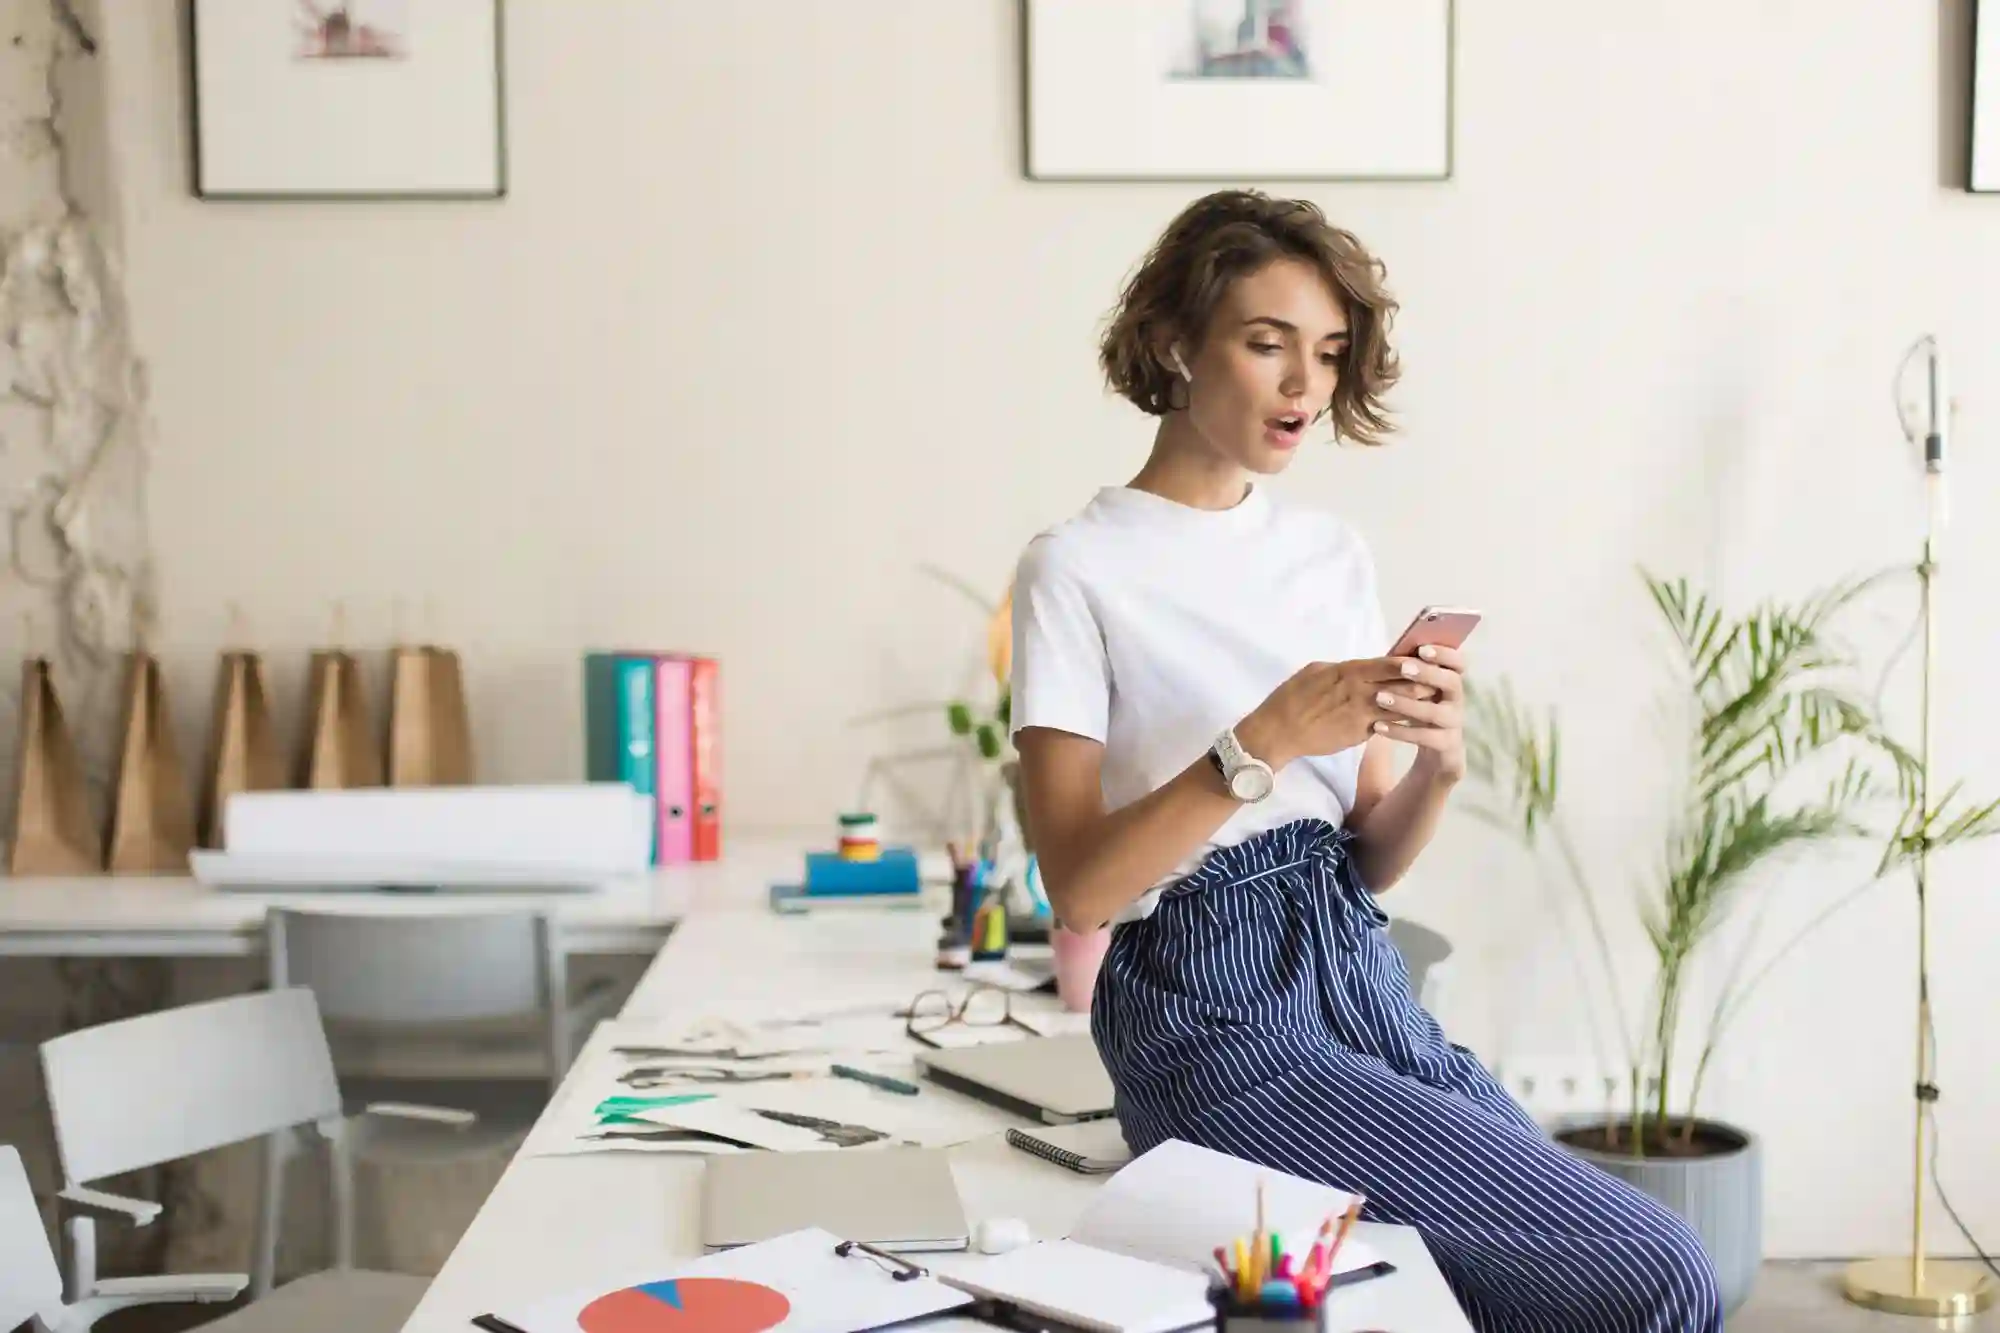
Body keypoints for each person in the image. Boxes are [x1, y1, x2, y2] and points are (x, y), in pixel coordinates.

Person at [1007, 190, 1722, 1333]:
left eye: (1329, 353)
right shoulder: (1076, 569)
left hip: (1357, 974)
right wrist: (1258, 745)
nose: (1305, 384)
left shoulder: (1327, 555)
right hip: (1205, 1018)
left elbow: (1367, 862)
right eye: (1265, 343)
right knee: (1657, 1274)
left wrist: (1436, 764)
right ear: (1168, 344)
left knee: (1566, 1276)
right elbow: (1081, 890)